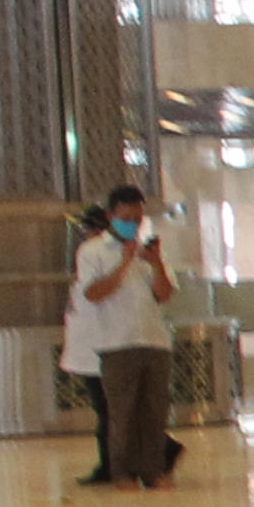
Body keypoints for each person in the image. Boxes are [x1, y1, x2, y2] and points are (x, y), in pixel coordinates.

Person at [75, 185, 180, 490]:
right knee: (122, 414)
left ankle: (153, 470)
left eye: (137, 218)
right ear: (111, 216)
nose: (132, 224)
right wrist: (123, 263)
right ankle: (122, 473)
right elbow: (93, 293)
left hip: (154, 340)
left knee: (154, 412)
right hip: (116, 343)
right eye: (126, 218)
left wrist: (156, 263)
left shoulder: (151, 252)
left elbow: (164, 294)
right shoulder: (92, 251)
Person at [60, 203, 115, 487]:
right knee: (107, 410)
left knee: (109, 411)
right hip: (93, 350)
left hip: (101, 350)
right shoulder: (92, 256)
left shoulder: (97, 254)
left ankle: (111, 465)